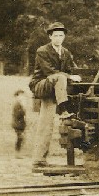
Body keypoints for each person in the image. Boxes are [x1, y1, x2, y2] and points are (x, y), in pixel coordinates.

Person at [28, 22, 81, 168]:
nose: (58, 38)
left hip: (58, 89)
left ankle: (40, 159)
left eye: (61, 35)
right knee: (61, 77)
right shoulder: (42, 51)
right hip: (42, 85)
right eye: (55, 35)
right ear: (50, 37)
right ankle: (63, 109)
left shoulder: (66, 52)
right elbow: (50, 71)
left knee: (47, 123)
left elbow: (73, 69)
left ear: (64, 37)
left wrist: (79, 76)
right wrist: (70, 77)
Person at [12, 89, 27, 157]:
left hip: (19, 124)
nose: (22, 97)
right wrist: (23, 109)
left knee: (20, 138)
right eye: (21, 95)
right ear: (17, 96)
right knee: (20, 138)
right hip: (18, 124)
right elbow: (18, 114)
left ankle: (18, 153)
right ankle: (17, 154)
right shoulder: (17, 104)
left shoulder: (19, 104)